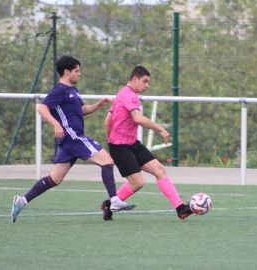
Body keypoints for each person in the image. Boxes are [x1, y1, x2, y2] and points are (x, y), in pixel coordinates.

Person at [11, 55, 135, 223]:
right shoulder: (59, 90)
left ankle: (22, 201)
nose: (79, 74)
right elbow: (41, 107)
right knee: (107, 161)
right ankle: (114, 200)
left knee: (55, 179)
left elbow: (81, 110)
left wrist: (98, 105)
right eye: (76, 71)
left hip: (69, 141)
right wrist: (56, 124)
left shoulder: (73, 91)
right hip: (73, 137)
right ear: (66, 72)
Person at [101, 65, 193, 221]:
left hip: (132, 144)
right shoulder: (129, 95)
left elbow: (106, 123)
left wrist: (111, 139)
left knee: (159, 170)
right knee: (137, 183)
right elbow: (138, 119)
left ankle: (180, 208)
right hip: (121, 147)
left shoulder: (121, 94)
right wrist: (159, 129)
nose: (147, 86)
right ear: (135, 79)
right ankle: (109, 204)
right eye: (145, 81)